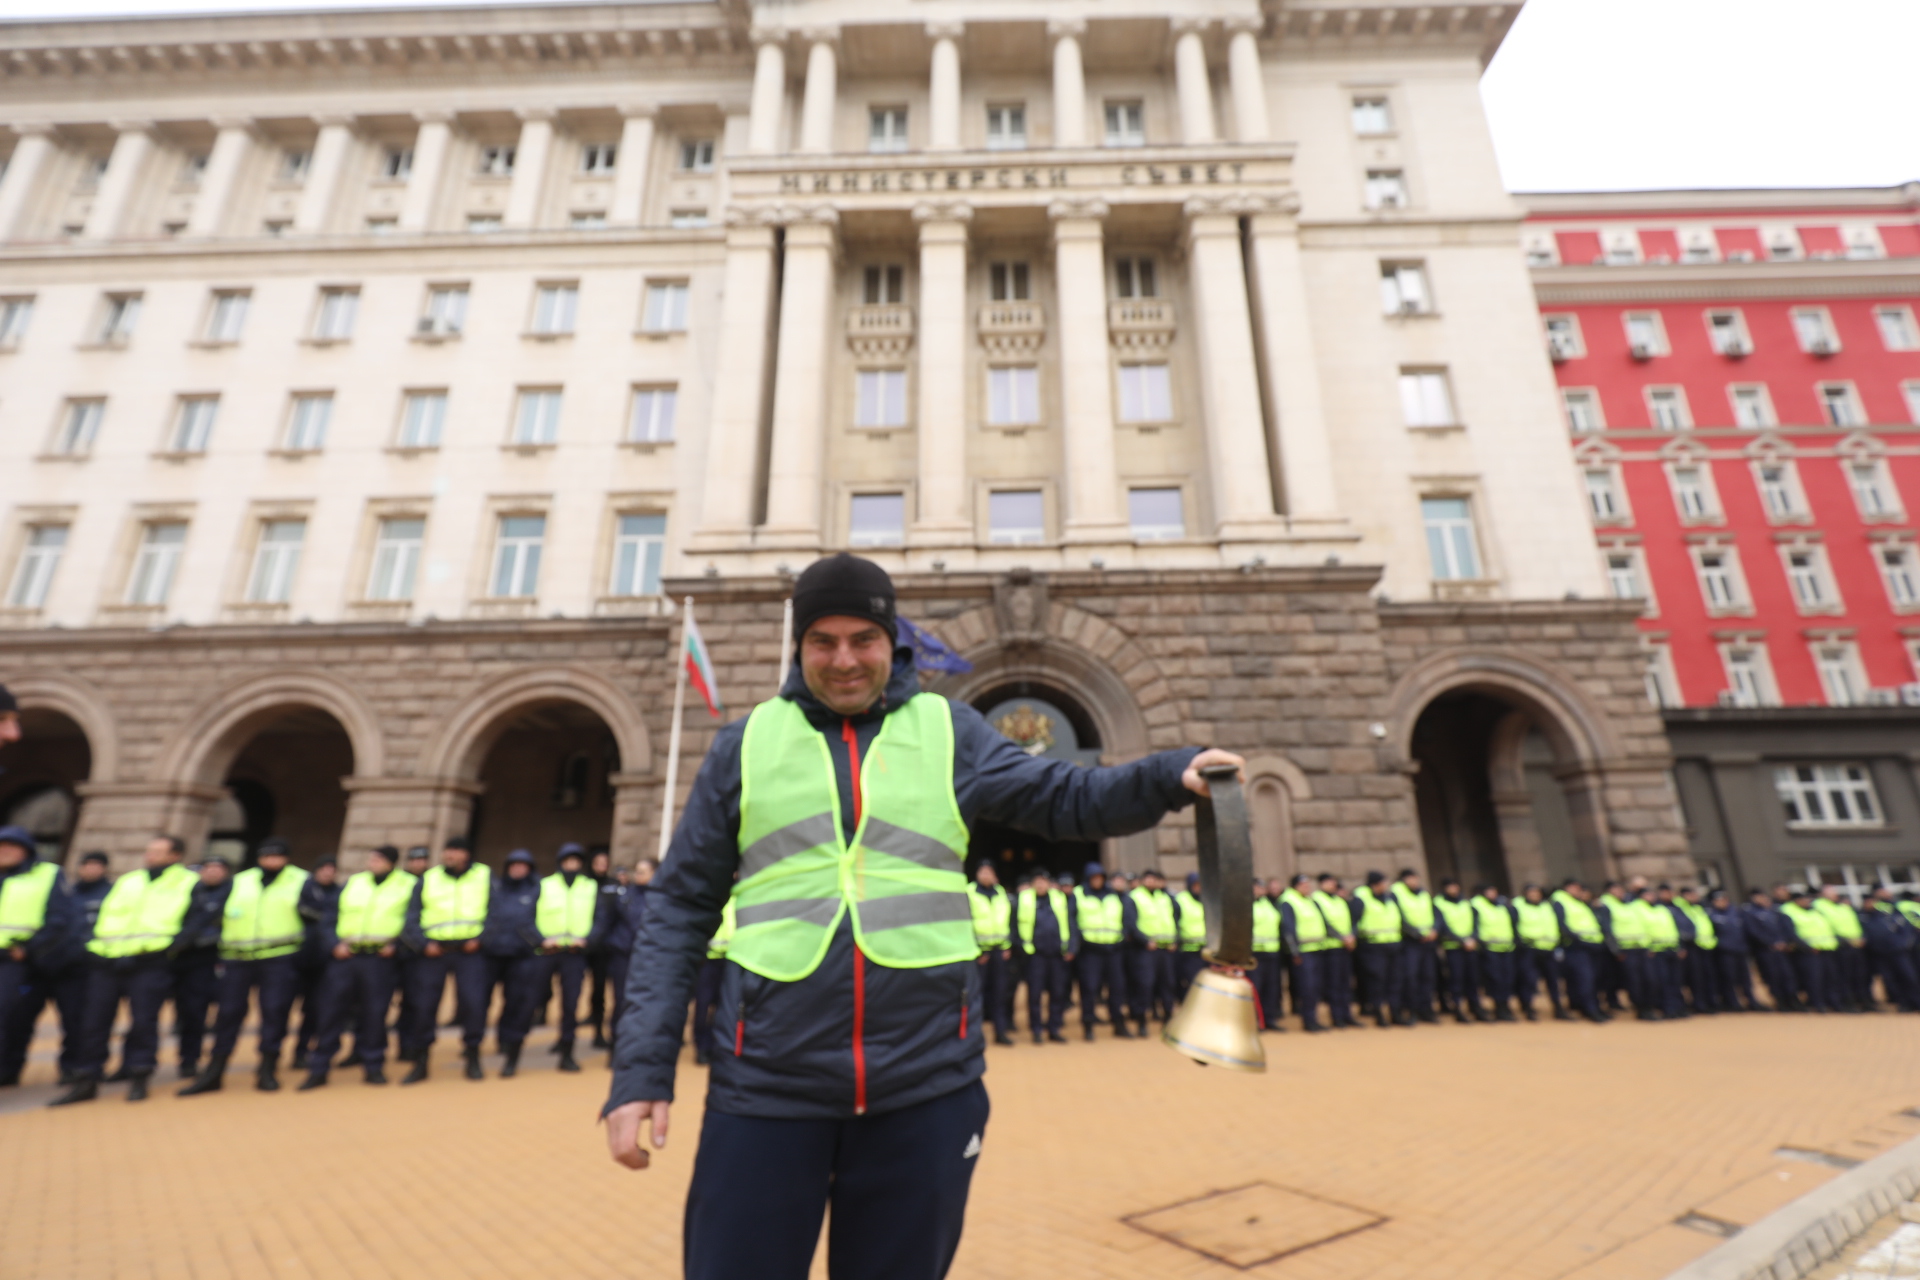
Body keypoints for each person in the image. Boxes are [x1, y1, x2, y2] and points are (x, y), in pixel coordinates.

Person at [601, 552, 1239, 1280]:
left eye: (862, 640)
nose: (844, 660)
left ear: (891, 640)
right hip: (767, 1086)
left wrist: (1167, 775)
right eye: (823, 641)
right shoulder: (744, 745)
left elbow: (1068, 797)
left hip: (927, 1085)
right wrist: (641, 1071)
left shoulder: (951, 730)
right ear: (799, 645)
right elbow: (679, 910)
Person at [52, 835, 202, 1105]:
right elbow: (104, 914)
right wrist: (91, 944)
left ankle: (139, 1075)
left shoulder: (189, 882)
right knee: (94, 1022)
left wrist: (170, 949)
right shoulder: (129, 880)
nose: (150, 855)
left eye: (158, 851)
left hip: (150, 962)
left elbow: (195, 921)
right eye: (150, 850)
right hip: (106, 960)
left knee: (143, 1022)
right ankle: (87, 1078)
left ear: (175, 855)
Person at [179, 838, 308, 1096]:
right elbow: (211, 912)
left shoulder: (302, 880)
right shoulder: (240, 880)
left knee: (274, 1012)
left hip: (279, 956)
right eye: (266, 856)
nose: (271, 861)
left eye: (277, 856)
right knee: (227, 1014)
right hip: (236, 957)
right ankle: (215, 1070)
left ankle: (267, 1069)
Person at [300, 845, 417, 1089]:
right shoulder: (354, 883)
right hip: (346, 956)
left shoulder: (407, 884)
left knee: (374, 1013)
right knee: (331, 1012)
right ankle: (319, 1067)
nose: (372, 862)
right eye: (372, 858)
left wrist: (398, 946)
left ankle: (373, 1065)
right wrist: (333, 944)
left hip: (379, 959)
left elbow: (413, 919)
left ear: (391, 863)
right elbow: (329, 918)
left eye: (379, 859)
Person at [398, 836, 492, 1083]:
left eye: (454, 852)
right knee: (424, 1006)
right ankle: (420, 1061)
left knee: (473, 1004)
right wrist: (423, 944)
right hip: (434, 952)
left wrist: (481, 938)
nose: (449, 856)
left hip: (469, 951)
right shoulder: (429, 878)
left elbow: (497, 913)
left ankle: (472, 1056)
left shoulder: (484, 876)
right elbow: (412, 916)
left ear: (466, 855)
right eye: (447, 852)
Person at [0, 826, 72, 1087]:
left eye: (12, 846)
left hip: (15, 960)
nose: (4, 851)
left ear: (27, 850)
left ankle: (7, 1069)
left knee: (7, 1016)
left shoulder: (48, 874)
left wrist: (29, 949)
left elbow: (60, 919)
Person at [534, 843, 605, 1073]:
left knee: (570, 1004)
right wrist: (538, 939)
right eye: (567, 861)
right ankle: (512, 1049)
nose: (571, 866)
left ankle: (567, 1051)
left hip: (574, 954)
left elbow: (600, 918)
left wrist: (589, 939)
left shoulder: (590, 887)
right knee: (532, 997)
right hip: (547, 952)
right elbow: (528, 914)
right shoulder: (545, 885)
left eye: (576, 862)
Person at [480, 849, 544, 1077]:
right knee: (480, 1002)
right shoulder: (496, 888)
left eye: (523, 865)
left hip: (522, 955)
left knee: (516, 1003)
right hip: (492, 952)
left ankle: (510, 1048)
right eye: (514, 865)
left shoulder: (537, 890)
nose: (518, 869)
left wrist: (534, 940)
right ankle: (477, 1047)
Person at [172, 856, 231, 1080]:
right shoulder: (189, 891)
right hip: (178, 956)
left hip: (210, 958)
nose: (213, 872)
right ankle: (187, 1059)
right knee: (185, 1012)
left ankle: (199, 1059)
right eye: (209, 868)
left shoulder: (231, 893)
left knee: (205, 1012)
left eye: (219, 868)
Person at [602, 856, 656, 1064]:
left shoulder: (661, 898)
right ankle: (615, 1047)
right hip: (623, 956)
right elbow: (610, 922)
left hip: (649, 958)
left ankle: (642, 1048)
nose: (638, 875)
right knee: (621, 1002)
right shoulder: (625, 895)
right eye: (637, 871)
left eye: (643, 871)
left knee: (648, 1004)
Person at [1070, 863, 1132, 1042]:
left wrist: (1123, 935)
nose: (1097, 881)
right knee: (1089, 989)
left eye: (1100, 877)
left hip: (1113, 949)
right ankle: (1088, 1025)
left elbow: (1124, 916)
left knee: (1117, 988)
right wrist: (1076, 943)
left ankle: (1118, 1023)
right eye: (1094, 878)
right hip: (1090, 950)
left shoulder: (1114, 895)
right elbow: (1072, 920)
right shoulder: (1079, 894)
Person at [1018, 871, 1076, 1044]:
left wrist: (1071, 946)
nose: (1041, 885)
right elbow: (1016, 924)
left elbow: (1069, 923)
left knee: (1057, 993)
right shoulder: (1024, 899)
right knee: (1035, 995)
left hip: (1057, 955)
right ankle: (1036, 1030)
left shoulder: (1058, 899)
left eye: (1044, 881)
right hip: (1036, 955)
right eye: (1038, 882)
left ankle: (1054, 1028)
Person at [292, 858, 341, 1062]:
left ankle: (303, 1052)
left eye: (332, 870)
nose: (328, 873)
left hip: (323, 960)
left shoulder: (339, 892)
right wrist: (325, 919)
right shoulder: (305, 889)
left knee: (315, 1009)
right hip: (297, 957)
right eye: (324, 869)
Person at [392, 845, 433, 1066]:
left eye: (423, 860)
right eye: (415, 860)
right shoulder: (397, 882)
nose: (419, 864)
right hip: (390, 948)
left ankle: (407, 1046)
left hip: (414, 951)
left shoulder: (431, 882)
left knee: (413, 1002)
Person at [1351, 871, 1407, 1028]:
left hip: (1393, 945)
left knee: (1395, 981)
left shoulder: (1390, 898)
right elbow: (1354, 921)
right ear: (1375, 885)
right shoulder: (1361, 899)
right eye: (1384, 883)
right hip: (1372, 947)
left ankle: (1395, 1013)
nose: (1386, 886)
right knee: (1377, 981)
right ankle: (1378, 1014)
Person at [1125, 868, 1179, 1031]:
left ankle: (1168, 1017)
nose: (1151, 882)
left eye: (1153, 879)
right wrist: (1145, 941)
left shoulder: (1165, 898)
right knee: (1145, 984)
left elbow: (1174, 920)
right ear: (1142, 881)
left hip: (1165, 949)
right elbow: (1130, 924)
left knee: (1167, 984)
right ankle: (1142, 1020)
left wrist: (1175, 939)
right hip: (1146, 950)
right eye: (1147, 879)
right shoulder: (1134, 897)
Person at [968, 863, 1014, 1046]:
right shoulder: (969, 892)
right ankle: (975, 1035)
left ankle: (1000, 1032)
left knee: (1000, 993)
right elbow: (966, 923)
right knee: (976, 994)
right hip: (979, 952)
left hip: (999, 951)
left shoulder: (1000, 893)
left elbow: (1008, 921)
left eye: (989, 872)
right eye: (983, 871)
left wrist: (1007, 946)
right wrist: (976, 949)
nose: (986, 875)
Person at [1550, 880, 1608, 1022]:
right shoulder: (1560, 901)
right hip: (1576, 947)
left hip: (1592, 945)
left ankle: (1594, 1007)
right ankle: (1590, 1009)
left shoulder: (1579, 902)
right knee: (1585, 980)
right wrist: (1578, 940)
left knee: (1593, 979)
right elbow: (1562, 925)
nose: (1578, 890)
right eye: (1575, 888)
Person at [1278, 873, 1328, 1032]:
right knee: (1307, 987)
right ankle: (1308, 1021)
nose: (1307, 888)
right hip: (1303, 952)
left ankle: (1314, 1019)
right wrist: (1295, 952)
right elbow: (1288, 929)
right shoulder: (1289, 901)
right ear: (1296, 886)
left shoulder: (1309, 900)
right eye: (1304, 885)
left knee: (1315, 988)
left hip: (1316, 950)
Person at [690, 898, 735, 1066]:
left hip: (730, 959)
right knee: (703, 1004)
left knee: (723, 1006)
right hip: (707, 960)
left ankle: (716, 1045)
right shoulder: (711, 895)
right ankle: (701, 1046)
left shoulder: (737, 898)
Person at [1392, 869, 1440, 1024]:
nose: (1414, 881)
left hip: (1427, 942)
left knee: (1428, 977)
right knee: (1411, 977)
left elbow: (1437, 914)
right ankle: (1411, 1010)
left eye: (1415, 878)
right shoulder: (1396, 894)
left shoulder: (1424, 894)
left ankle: (1426, 1009)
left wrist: (1435, 930)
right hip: (1410, 942)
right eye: (1410, 878)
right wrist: (1416, 934)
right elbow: (1398, 917)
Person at [1513, 884, 1567, 1021]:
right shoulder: (1518, 906)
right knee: (1529, 981)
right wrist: (1521, 943)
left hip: (1549, 948)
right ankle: (1528, 1008)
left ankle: (1558, 1008)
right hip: (1529, 949)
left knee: (1553, 981)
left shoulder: (1547, 906)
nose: (1534, 895)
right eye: (1531, 893)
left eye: (1537, 893)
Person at [1780, 887, 1839, 1012]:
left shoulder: (1815, 911)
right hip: (1807, 952)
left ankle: (1832, 1002)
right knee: (1814, 980)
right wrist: (1807, 947)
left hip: (1827, 949)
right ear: (1797, 900)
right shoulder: (1788, 911)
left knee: (1830, 978)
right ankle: (1817, 1004)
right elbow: (1791, 934)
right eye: (1805, 899)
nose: (1808, 901)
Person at [1861, 886, 1919, 1013]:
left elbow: (1906, 931)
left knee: (1908, 977)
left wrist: (1903, 944)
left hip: (1899, 952)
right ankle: (1903, 1004)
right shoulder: (1867, 918)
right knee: (1891, 980)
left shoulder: (1892, 914)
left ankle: (1915, 1002)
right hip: (1880, 954)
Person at [1433, 879, 1481, 1022]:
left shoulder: (1466, 903)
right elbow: (1442, 926)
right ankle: (1458, 1008)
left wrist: (1472, 938)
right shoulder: (1438, 904)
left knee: (1472, 979)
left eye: (1455, 886)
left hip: (1470, 946)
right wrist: (1462, 941)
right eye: (1450, 887)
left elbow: (1475, 923)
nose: (1454, 889)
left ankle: (1475, 1007)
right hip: (1452, 948)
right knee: (1456, 979)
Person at [1313, 875, 1358, 1028]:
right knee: (1334, 984)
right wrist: (1342, 938)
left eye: (1334, 882)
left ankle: (1347, 1015)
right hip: (1330, 948)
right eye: (1329, 882)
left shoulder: (1339, 900)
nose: (1333, 885)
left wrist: (1352, 936)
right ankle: (1337, 1017)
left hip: (1344, 947)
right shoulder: (1317, 899)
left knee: (1346, 983)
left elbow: (1350, 921)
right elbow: (1324, 923)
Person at [1814, 886, 1869, 1011]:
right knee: (1843, 977)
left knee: (1859, 975)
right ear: (1822, 894)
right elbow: (1824, 927)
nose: (1835, 894)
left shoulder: (1844, 906)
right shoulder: (1819, 906)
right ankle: (1845, 1002)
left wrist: (1862, 937)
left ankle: (1862, 1001)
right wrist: (1843, 940)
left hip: (1856, 945)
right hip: (1839, 946)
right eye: (1831, 892)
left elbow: (1855, 924)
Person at [1743, 888, 1797, 1011]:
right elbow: (1754, 932)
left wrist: (1784, 942)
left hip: (1781, 949)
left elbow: (1784, 927)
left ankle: (1792, 1000)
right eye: (1759, 897)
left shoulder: (1774, 911)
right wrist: (1771, 943)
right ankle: (1780, 1001)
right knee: (1773, 976)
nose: (1763, 899)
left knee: (1787, 975)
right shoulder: (1750, 912)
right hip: (1765, 950)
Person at [1470, 885, 1518, 1021]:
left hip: (1506, 947)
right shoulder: (1477, 905)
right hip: (1489, 948)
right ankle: (1499, 1007)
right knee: (1494, 979)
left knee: (1507, 979)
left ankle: (1506, 1005)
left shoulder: (1502, 905)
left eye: (1494, 891)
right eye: (1489, 891)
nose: (1492, 894)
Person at [1705, 890, 1756, 1012]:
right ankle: (1733, 1002)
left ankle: (1751, 1001)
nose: (1722, 902)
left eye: (1724, 899)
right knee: (1729, 979)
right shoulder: (1711, 915)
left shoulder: (1736, 912)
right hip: (1724, 952)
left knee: (1746, 978)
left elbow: (1745, 931)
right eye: (1719, 900)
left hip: (1740, 950)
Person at [587, 848, 616, 1049]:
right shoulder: (584, 884)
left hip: (606, 947)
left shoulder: (613, 886)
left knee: (603, 990)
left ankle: (600, 1032)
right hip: (584, 945)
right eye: (598, 861)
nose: (602, 865)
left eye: (605, 862)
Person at [1674, 886, 1719, 1014]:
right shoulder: (1680, 909)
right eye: (1691, 894)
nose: (1695, 897)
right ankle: (1699, 1004)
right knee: (1696, 978)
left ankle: (1711, 1002)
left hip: (1706, 946)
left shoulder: (1699, 907)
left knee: (1708, 976)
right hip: (1692, 946)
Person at [1643, 885, 1685, 1020]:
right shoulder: (1641, 910)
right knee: (1663, 981)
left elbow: (1672, 928)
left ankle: (1678, 1007)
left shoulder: (1662, 909)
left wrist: (1679, 946)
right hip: (1656, 951)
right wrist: (1648, 947)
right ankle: (1668, 1009)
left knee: (1675, 981)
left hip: (1671, 948)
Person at [1249, 880, 1284, 1031]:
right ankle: (1255, 1021)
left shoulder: (1269, 903)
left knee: (1272, 987)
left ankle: (1269, 1019)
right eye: (1256, 887)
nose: (1259, 890)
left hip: (1272, 952)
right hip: (1254, 953)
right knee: (1256, 988)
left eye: (1261, 887)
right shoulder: (1245, 905)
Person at [1172, 872, 1208, 991]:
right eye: (1196, 885)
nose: (1199, 888)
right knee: (1192, 984)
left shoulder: (1208, 900)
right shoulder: (1180, 900)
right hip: (1188, 951)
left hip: (1207, 951)